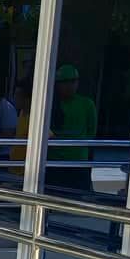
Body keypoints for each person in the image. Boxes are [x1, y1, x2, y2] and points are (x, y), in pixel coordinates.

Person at [48, 64, 98, 193]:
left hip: (78, 161)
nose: (69, 85)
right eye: (65, 82)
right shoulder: (49, 103)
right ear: (57, 84)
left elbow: (91, 132)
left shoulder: (87, 104)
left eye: (73, 81)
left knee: (77, 198)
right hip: (54, 162)